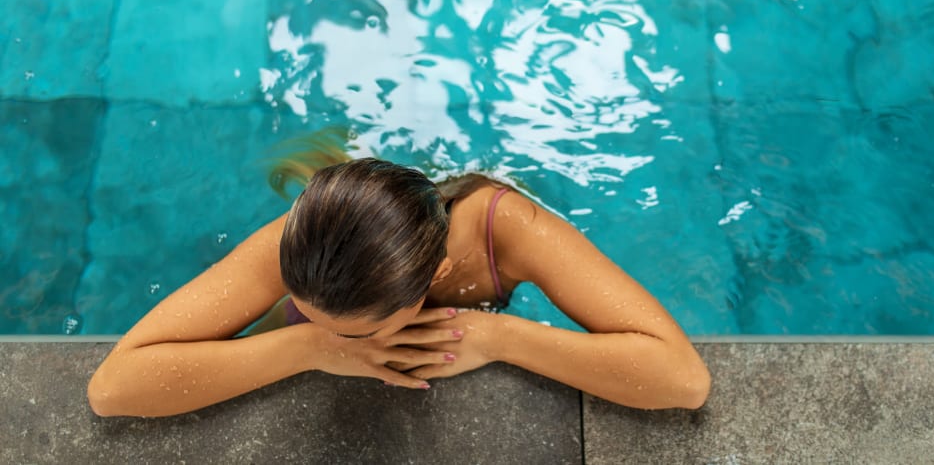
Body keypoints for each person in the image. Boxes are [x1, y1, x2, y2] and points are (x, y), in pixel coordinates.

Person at [88, 136, 710, 417]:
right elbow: (113, 389)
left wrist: (496, 340)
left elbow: (682, 380)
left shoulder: (509, 231)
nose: (349, 346)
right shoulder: (302, 236)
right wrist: (309, 346)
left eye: (362, 334)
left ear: (435, 275)